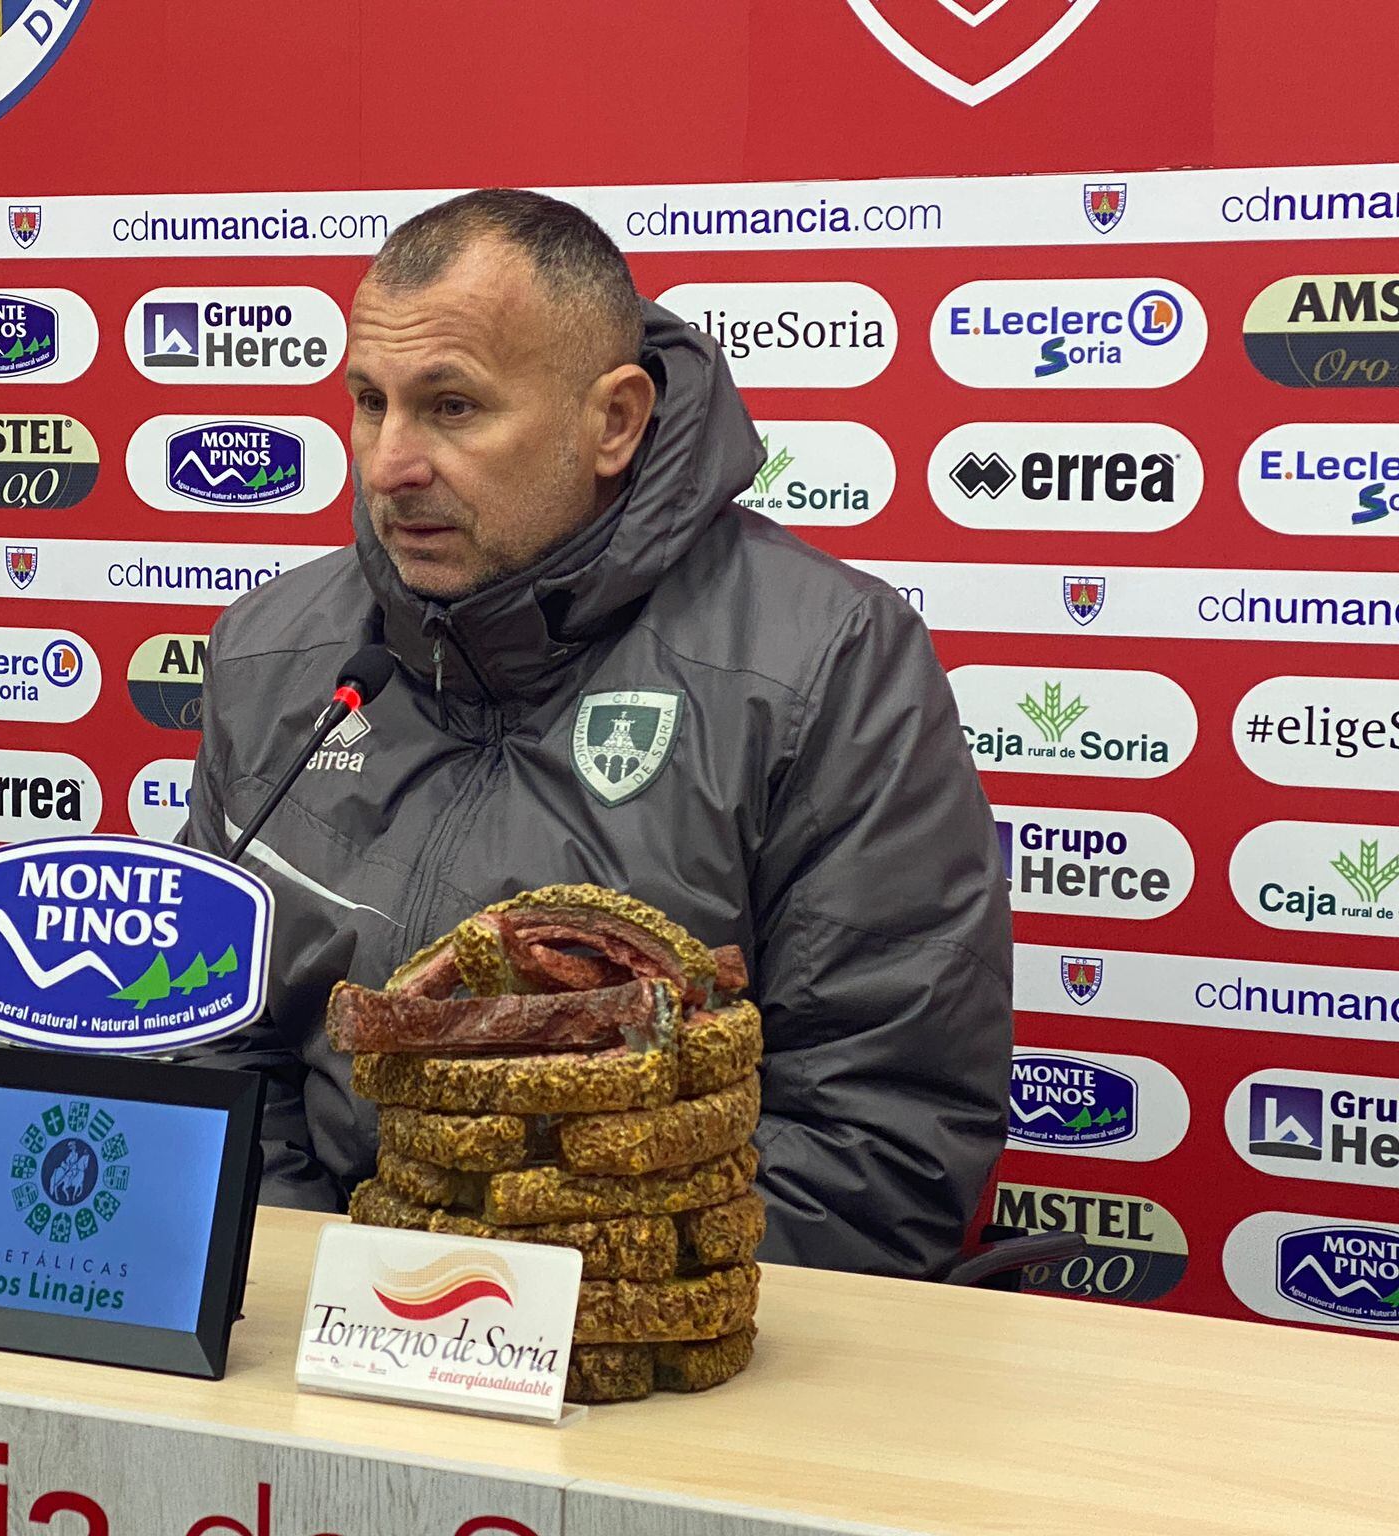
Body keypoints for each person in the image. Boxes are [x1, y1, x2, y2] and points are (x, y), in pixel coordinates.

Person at [179, 188, 1012, 1278]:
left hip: (655, 1350)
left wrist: (536, 1312)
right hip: (317, 1327)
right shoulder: (270, 650)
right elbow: (210, 1038)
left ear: (612, 421)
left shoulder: (825, 664)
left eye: (453, 408)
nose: (389, 464)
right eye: (368, 401)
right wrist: (325, 1282)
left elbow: (879, 1128)